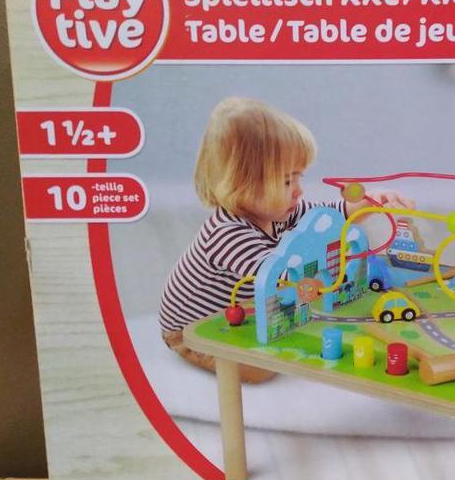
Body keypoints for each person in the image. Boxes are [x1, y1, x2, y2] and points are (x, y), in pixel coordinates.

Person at [160, 97, 413, 382]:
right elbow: (278, 279)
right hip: (189, 330)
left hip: (240, 310)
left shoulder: (280, 212)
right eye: (286, 181)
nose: (298, 191)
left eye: (298, 178)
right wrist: (324, 278)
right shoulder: (226, 234)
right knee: (262, 370)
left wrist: (367, 203)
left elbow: (327, 217)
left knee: (292, 325)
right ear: (243, 184)